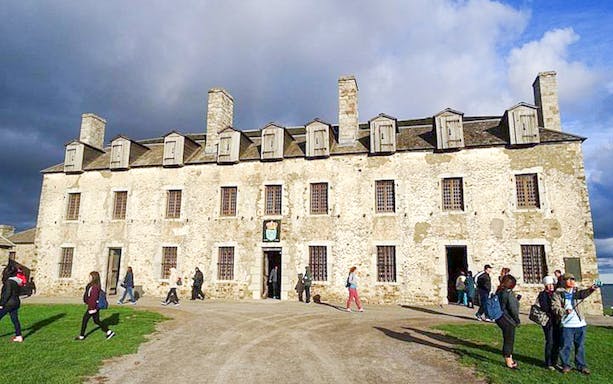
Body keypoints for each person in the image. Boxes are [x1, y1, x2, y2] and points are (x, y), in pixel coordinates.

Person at [552, 273, 599, 375]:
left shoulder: (577, 291)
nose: (571, 281)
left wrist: (592, 289)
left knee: (580, 346)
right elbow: (555, 307)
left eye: (573, 279)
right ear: (563, 281)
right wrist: (564, 311)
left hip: (580, 324)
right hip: (567, 325)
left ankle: (581, 365)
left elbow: (584, 293)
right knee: (566, 346)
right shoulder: (558, 293)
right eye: (568, 279)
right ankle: (565, 365)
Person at [75, 271, 115, 340]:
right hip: (93, 307)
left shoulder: (94, 287)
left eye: (90, 276)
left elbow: (93, 299)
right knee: (96, 321)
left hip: (93, 307)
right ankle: (109, 332)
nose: (89, 278)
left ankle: (82, 336)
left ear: (94, 277)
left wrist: (92, 308)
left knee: (85, 319)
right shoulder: (91, 286)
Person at [495, 274, 520, 369]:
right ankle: (509, 361)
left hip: (500, 317)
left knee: (507, 338)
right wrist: (517, 320)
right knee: (509, 340)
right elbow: (513, 309)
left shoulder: (499, 291)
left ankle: (510, 358)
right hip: (507, 318)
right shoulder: (508, 293)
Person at [537, 275, 561, 370]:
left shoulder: (556, 293)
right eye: (549, 285)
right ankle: (549, 363)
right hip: (548, 321)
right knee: (550, 341)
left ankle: (555, 361)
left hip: (556, 321)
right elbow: (545, 308)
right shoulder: (543, 295)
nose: (551, 286)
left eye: (552, 284)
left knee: (557, 342)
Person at [0, 264, 23, 342]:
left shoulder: (9, 282)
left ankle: (19, 336)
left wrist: (1, 304)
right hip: (16, 303)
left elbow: (7, 294)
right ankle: (19, 336)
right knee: (15, 319)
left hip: (8, 304)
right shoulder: (17, 281)